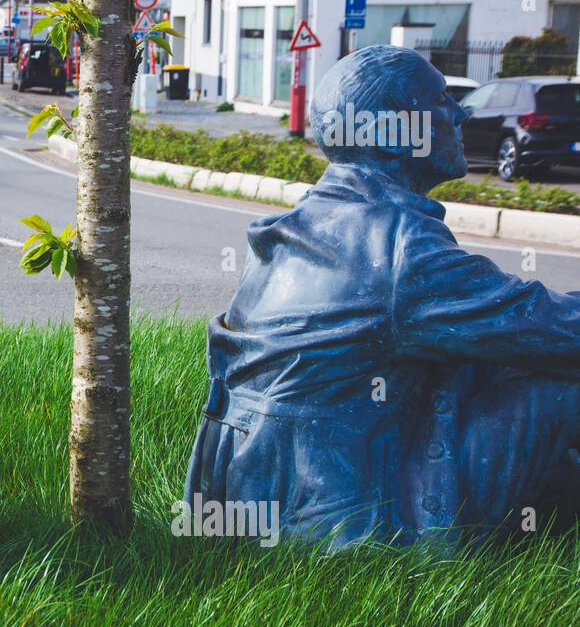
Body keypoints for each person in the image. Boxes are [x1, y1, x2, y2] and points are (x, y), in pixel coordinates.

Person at [185, 45, 580, 549]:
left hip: (247, 508)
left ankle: (549, 530)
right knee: (561, 382)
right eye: (441, 101)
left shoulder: (298, 225)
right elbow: (550, 326)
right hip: (338, 527)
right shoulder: (400, 247)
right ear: (394, 132)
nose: (461, 113)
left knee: (491, 365)